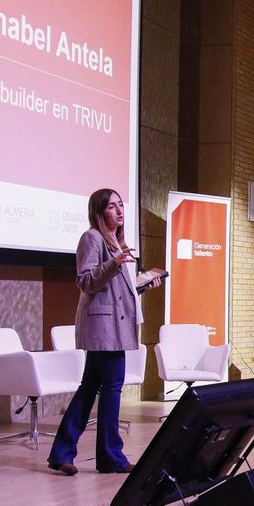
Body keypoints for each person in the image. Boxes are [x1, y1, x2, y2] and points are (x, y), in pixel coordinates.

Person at [47, 188, 165, 475]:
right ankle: (110, 456)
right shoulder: (92, 238)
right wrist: (114, 263)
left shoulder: (117, 243)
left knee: (89, 389)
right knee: (111, 389)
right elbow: (85, 281)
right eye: (112, 207)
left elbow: (115, 289)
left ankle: (61, 453)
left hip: (114, 325)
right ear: (99, 213)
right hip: (103, 326)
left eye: (121, 205)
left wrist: (142, 285)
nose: (120, 211)